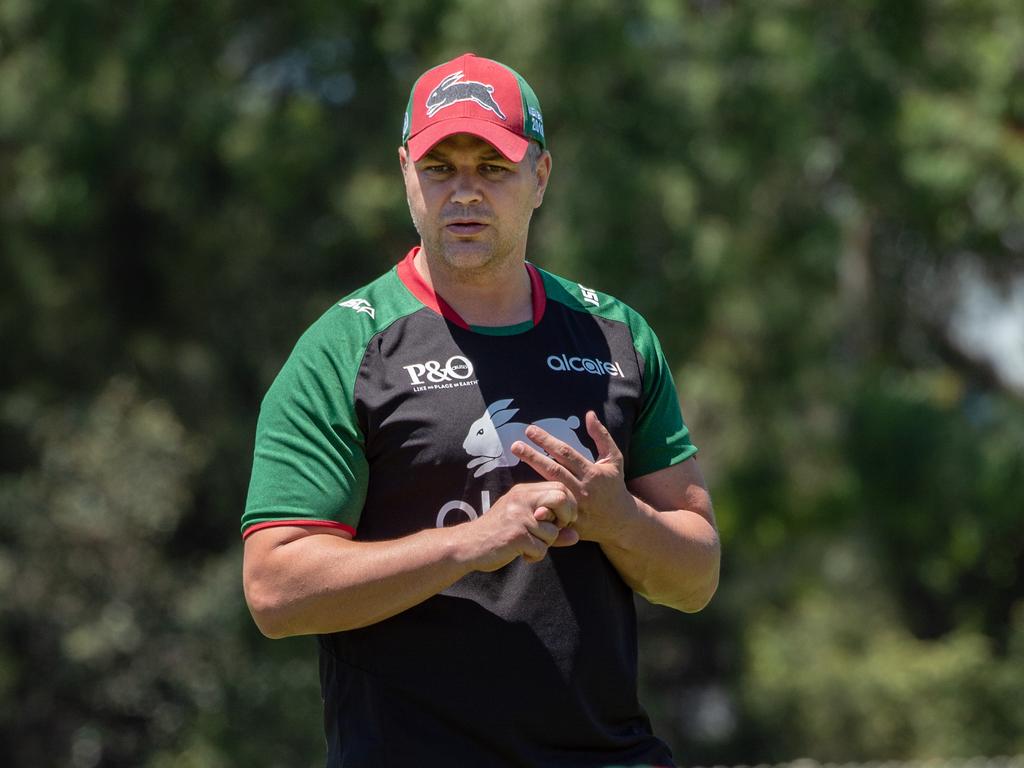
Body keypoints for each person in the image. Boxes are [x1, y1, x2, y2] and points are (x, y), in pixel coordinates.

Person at [241, 52, 720, 767]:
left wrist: (620, 520)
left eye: (493, 168)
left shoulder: (617, 336)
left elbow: (696, 576)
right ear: (406, 171)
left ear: (541, 178)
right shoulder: (345, 346)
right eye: (441, 168)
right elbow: (275, 590)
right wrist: (473, 543)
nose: (465, 193)